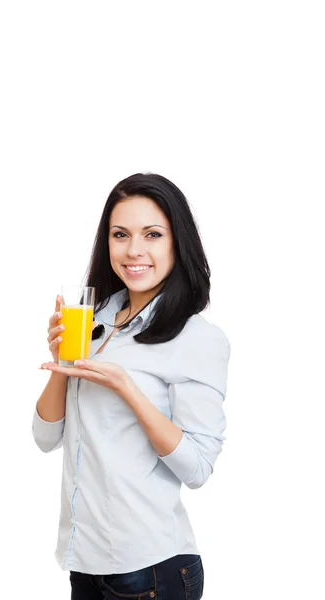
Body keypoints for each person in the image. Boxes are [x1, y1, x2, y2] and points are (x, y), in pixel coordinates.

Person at [32, 172, 231, 600]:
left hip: (152, 571)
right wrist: (62, 363)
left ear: (178, 242)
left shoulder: (196, 337)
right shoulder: (95, 318)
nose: (134, 250)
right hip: (83, 562)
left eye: (153, 234)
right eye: (120, 234)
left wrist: (128, 389)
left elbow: (197, 468)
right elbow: (46, 437)